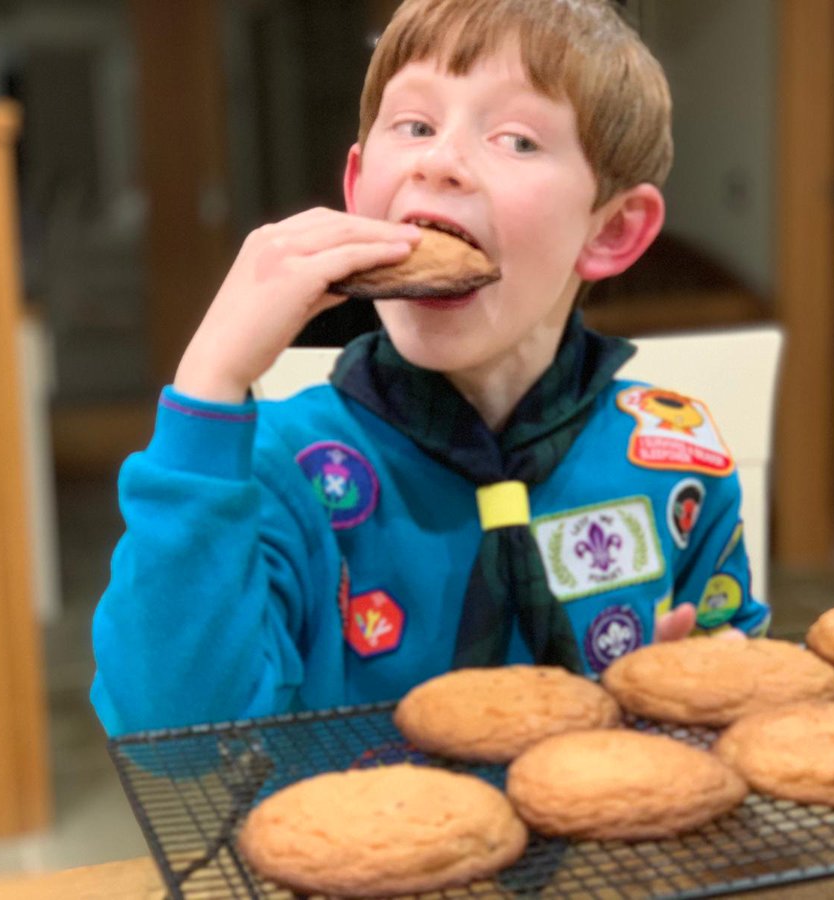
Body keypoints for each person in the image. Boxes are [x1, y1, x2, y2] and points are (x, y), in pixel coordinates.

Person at [91, 0, 770, 737]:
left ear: (610, 229)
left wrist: (684, 721)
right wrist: (209, 383)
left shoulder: (675, 457)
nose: (439, 161)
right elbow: (171, 742)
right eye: (414, 125)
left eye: (515, 139)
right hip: (352, 845)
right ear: (358, 190)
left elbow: (737, 701)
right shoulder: (275, 472)